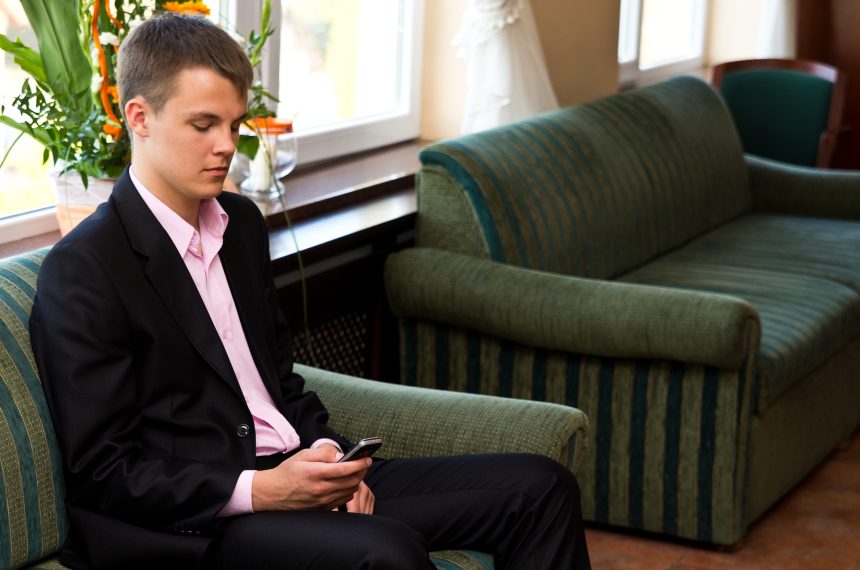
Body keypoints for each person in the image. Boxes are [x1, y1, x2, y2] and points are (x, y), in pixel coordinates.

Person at [29, 12, 590, 570]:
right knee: (386, 552)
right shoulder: (85, 269)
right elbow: (106, 472)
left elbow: (280, 384)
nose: (227, 146)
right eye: (204, 125)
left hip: (297, 478)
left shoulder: (241, 224)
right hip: (199, 526)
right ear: (139, 117)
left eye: (235, 124)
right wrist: (265, 490)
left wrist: (328, 454)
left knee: (541, 488)